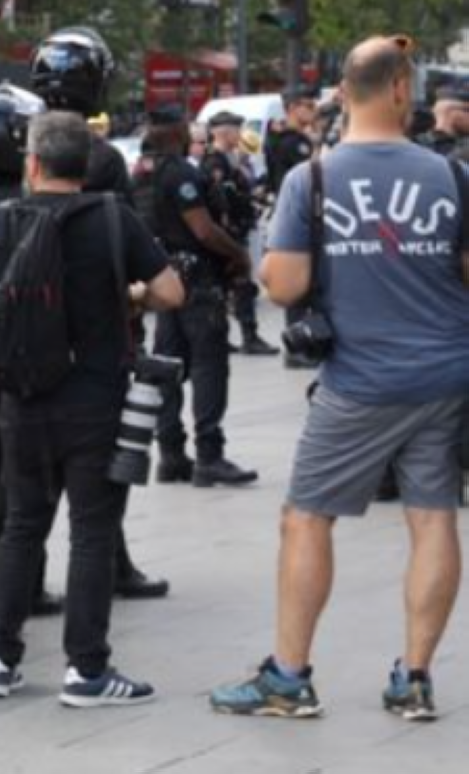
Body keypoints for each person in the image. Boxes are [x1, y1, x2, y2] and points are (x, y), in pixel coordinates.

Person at [211, 35, 469, 722]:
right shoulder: (454, 177)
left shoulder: (312, 180)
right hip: (446, 375)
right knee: (434, 516)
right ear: (399, 90)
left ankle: (289, 678)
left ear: (345, 94)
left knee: (306, 518)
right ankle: (414, 678)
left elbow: (286, 282)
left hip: (359, 380)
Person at [0, 111, 185, 708]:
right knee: (91, 531)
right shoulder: (112, 218)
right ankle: (86, 671)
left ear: (32, 164)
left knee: (20, 528)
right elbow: (171, 292)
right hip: (94, 400)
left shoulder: (3, 219)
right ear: (85, 166)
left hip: (20, 399)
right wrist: (129, 293)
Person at [133, 108, 257, 487]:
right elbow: (203, 230)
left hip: (165, 278)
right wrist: (238, 253)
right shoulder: (181, 173)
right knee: (208, 366)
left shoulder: (142, 174)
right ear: (176, 131)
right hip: (198, 281)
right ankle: (209, 456)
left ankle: (171, 455)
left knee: (169, 366)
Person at [204, 112, 278, 356]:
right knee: (239, 285)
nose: (240, 135)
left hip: (237, 228)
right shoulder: (215, 161)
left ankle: (225, 338)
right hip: (229, 233)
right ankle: (248, 336)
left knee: (230, 287)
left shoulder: (229, 159)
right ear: (223, 132)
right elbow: (219, 199)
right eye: (237, 129)